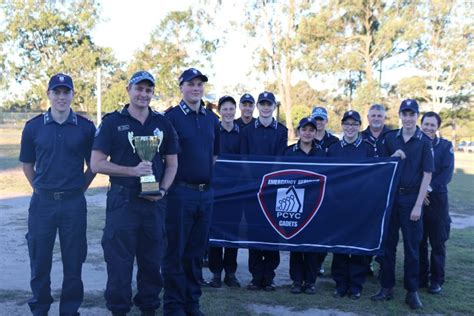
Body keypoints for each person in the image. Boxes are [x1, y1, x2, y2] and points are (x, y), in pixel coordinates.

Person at [91, 71, 179, 316]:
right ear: (128, 89)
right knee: (119, 263)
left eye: (148, 90)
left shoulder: (162, 124)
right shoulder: (111, 122)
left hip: (153, 205)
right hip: (123, 202)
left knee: (152, 262)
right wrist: (132, 171)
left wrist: (162, 190)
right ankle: (119, 310)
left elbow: (172, 164)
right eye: (139, 89)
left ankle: (148, 308)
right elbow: (97, 163)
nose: (143, 94)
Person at [19, 73, 96, 316]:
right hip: (42, 203)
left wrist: (79, 188)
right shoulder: (33, 127)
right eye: (57, 92)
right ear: (49, 95)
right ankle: (40, 309)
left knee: (73, 262)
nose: (61, 97)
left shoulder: (85, 127)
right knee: (39, 260)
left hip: (74, 203)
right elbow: (27, 165)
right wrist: (41, 188)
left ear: (73, 94)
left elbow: (93, 164)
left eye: (66, 92)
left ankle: (69, 311)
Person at [162, 68, 220, 316]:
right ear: (181, 87)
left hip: (205, 195)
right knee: (176, 251)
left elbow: (214, 155)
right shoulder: (170, 118)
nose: (196, 88)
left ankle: (192, 302)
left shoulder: (211, 118)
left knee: (196, 253)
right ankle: (174, 305)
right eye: (191, 84)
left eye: (199, 84)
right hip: (179, 194)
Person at [371, 99, 434, 309]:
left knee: (412, 247)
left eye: (412, 114)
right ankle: (386, 287)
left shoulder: (424, 141)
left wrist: (418, 205)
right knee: (387, 246)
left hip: (411, 199)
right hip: (392, 198)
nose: (408, 118)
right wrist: (392, 156)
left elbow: (427, 175)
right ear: (400, 115)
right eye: (404, 114)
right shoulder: (390, 138)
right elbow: (381, 167)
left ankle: (412, 291)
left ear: (417, 116)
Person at [240, 91, 288, 291]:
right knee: (254, 232)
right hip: (253, 189)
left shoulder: (281, 130)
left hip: (273, 191)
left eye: (269, 104)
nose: (266, 107)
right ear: (257, 106)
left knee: (271, 232)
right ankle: (255, 276)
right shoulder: (247, 130)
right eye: (263, 104)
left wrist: (270, 183)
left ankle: (269, 276)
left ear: (274, 106)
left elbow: (279, 160)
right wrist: (254, 183)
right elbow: (244, 159)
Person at [327, 110, 374, 300]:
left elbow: (374, 176)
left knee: (357, 246)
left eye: (354, 124)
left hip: (360, 205)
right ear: (342, 126)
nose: (350, 127)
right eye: (347, 124)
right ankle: (340, 284)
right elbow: (328, 177)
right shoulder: (334, 149)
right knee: (339, 245)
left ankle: (356, 285)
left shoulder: (368, 148)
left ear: (359, 126)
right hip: (338, 205)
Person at [283, 117, 326, 295]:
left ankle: (310, 281)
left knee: (312, 244)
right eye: (304, 129)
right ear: (299, 131)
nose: (307, 133)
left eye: (311, 130)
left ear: (315, 133)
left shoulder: (322, 153)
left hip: (315, 202)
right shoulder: (289, 152)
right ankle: (296, 280)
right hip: (295, 202)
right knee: (296, 243)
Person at [208, 95, 242, 288]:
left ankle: (231, 273)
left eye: (231, 109)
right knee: (215, 232)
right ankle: (215, 273)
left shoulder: (241, 134)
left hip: (235, 192)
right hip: (215, 190)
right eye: (225, 109)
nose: (228, 113)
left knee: (232, 233)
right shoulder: (213, 131)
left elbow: (245, 162)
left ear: (235, 110)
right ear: (219, 111)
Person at [419, 111, 454, 294]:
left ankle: (436, 279)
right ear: (421, 123)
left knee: (437, 242)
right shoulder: (415, 144)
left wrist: (427, 188)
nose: (429, 128)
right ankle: (421, 277)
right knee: (420, 241)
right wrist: (419, 191)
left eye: (432, 125)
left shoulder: (445, 146)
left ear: (437, 127)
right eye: (426, 124)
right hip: (418, 200)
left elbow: (446, 173)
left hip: (437, 200)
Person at [361, 104, 392, 276]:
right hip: (366, 193)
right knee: (366, 228)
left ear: (384, 118)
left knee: (385, 230)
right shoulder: (361, 137)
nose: (376, 118)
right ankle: (365, 263)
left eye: (379, 115)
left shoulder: (392, 136)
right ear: (368, 117)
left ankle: (382, 264)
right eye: (373, 115)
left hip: (386, 192)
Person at [309, 106, 339, 275]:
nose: (318, 123)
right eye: (316, 119)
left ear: (326, 121)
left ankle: (319, 262)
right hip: (311, 191)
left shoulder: (334, 141)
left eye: (321, 119)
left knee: (326, 230)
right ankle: (311, 264)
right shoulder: (307, 138)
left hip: (329, 191)